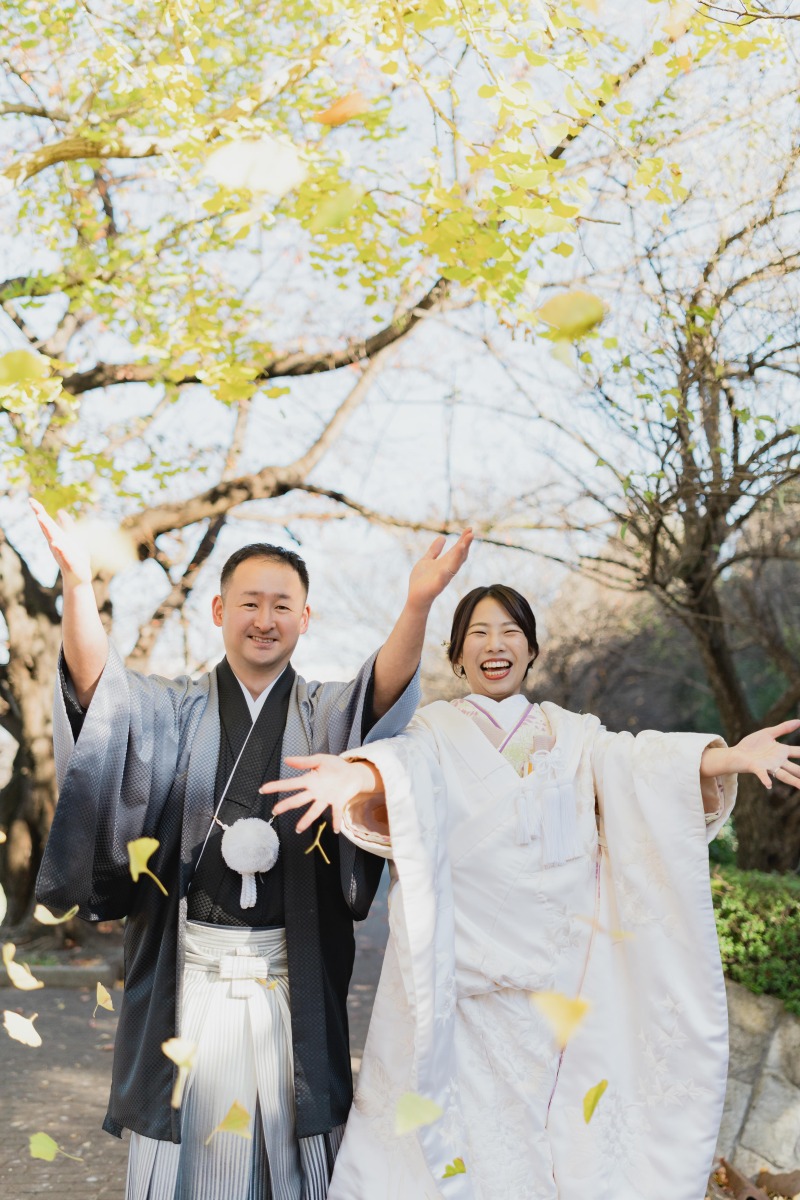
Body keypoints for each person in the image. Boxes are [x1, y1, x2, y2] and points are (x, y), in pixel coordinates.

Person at [261, 584, 800, 1200]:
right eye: (479, 634)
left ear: (531, 650)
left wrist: (724, 759)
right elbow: (398, 765)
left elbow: (639, 764)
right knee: (454, 1142)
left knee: (565, 1146)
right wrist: (355, 771)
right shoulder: (434, 732)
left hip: (562, 985)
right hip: (462, 985)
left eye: (510, 632)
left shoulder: (576, 736)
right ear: (458, 656)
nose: (495, 645)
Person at [31, 496, 472, 1200]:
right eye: (249, 603)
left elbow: (382, 694)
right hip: (189, 976)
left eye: (282, 605)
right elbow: (98, 691)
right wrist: (79, 588)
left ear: (305, 618)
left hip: (287, 977)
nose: (264, 620)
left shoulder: (326, 713)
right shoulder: (173, 707)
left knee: (286, 1148)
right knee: (184, 1141)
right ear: (218, 612)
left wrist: (417, 605)